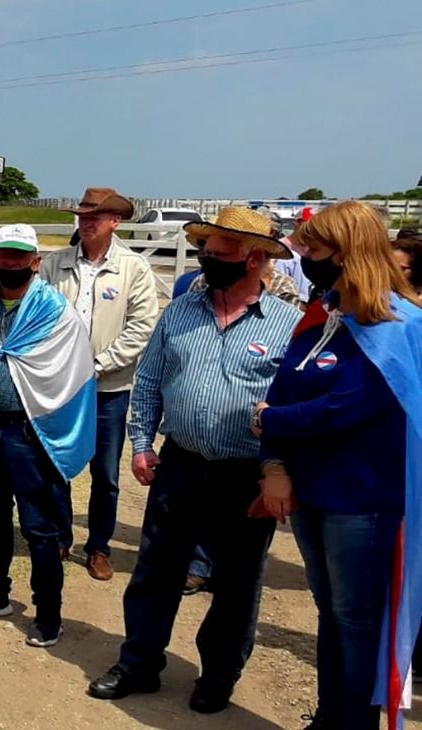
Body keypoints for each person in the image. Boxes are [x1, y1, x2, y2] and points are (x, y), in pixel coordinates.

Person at [88, 207, 302, 714]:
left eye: (220, 251)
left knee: (236, 583)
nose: (208, 258)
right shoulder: (181, 310)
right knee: (156, 569)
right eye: (206, 249)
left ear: (253, 258)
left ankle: (219, 675)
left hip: (246, 475)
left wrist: (280, 470)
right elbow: (149, 383)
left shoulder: (288, 326)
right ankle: (139, 663)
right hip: (180, 463)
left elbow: (294, 407)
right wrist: (141, 444)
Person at [255, 200, 422, 729]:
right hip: (313, 491)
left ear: (350, 253)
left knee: (357, 619)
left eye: (317, 249)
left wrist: (273, 421)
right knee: (331, 612)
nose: (306, 258)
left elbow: (348, 405)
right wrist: (275, 453)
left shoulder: (398, 324)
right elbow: (283, 384)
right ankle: (331, 716)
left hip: (363, 499)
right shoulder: (326, 316)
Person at [0, 224, 97, 649]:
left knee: (39, 527)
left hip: (31, 432)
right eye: (3, 255)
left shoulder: (55, 311)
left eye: (19, 256)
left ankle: (48, 613)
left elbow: (70, 372)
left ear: (35, 261)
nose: (10, 263)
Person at [40, 186, 158, 581]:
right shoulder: (54, 265)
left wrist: (99, 365)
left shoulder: (133, 268)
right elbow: (38, 315)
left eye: (96, 216)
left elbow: (141, 326)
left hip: (109, 390)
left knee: (105, 474)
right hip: (60, 387)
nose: (86, 222)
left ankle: (99, 546)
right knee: (56, 466)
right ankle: (59, 535)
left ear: (115, 222)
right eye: (83, 215)